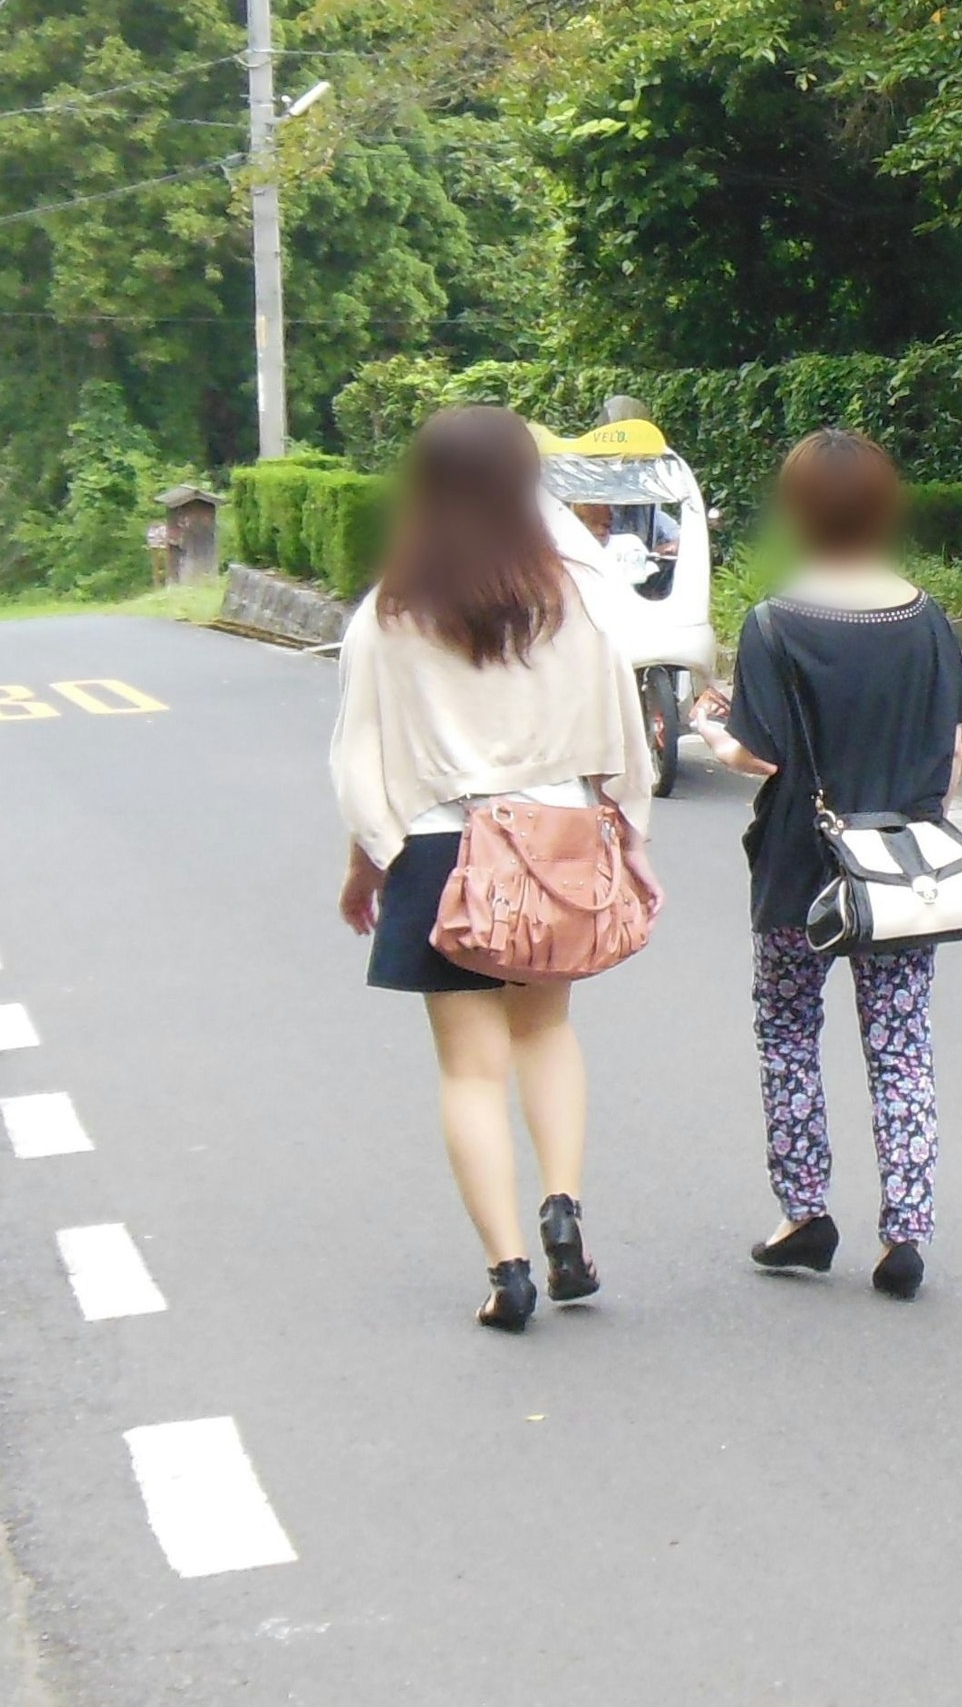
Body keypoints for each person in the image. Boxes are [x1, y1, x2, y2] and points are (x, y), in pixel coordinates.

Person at [333, 405, 654, 1332]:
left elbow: (363, 760)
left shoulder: (390, 612)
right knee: (545, 1034)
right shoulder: (578, 594)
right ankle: (566, 1212)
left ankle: (507, 1269)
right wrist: (628, 838)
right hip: (555, 841)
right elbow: (620, 736)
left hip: (443, 850)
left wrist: (368, 866)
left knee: (471, 1071)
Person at [690, 429, 962, 1302]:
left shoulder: (776, 622)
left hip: (796, 870)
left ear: (799, 512)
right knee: (901, 1046)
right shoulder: (926, 619)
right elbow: (949, 761)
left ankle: (805, 1214)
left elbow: (757, 754)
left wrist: (709, 734)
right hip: (898, 871)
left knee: (787, 1036)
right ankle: (908, 1230)